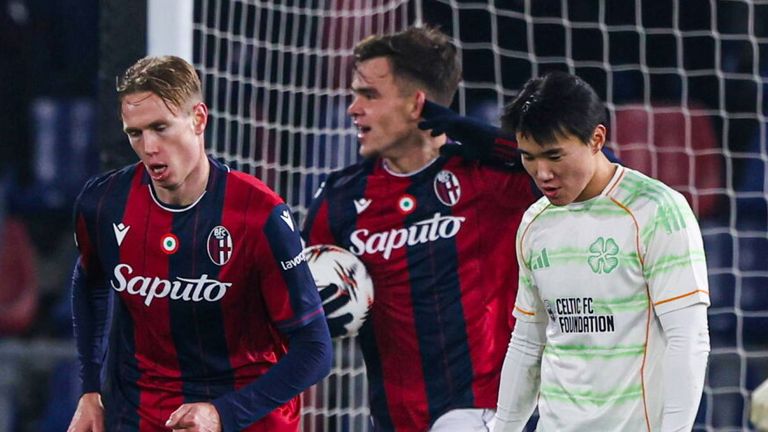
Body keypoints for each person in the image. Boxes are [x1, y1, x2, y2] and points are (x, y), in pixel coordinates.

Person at [67, 55, 332, 432]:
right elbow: (89, 280)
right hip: (143, 415)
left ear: (199, 119)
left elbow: (315, 349)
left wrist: (222, 413)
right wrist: (91, 390)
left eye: (160, 127)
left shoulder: (259, 215)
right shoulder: (103, 204)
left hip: (247, 417)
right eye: (135, 133)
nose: (148, 147)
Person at [301, 26, 538, 431]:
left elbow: (595, 162)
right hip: (393, 420)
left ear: (417, 105)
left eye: (369, 95)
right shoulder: (340, 198)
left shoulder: (490, 176)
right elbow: (299, 300)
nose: (352, 109)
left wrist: (462, 128)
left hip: (489, 413)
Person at [492, 71, 711, 431]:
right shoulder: (534, 223)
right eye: (528, 157)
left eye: (554, 155)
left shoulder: (656, 211)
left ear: (597, 138)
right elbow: (528, 342)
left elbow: (688, 338)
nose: (541, 172)